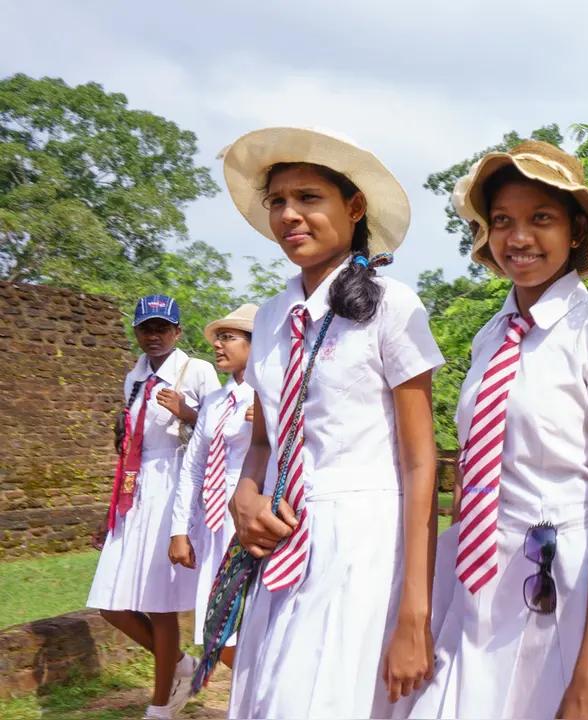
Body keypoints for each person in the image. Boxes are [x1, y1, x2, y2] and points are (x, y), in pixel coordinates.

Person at [409, 141, 588, 719]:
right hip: (478, 580)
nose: (518, 238)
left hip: (567, 588)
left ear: (577, 231)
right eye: (502, 221)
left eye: (540, 219)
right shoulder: (490, 336)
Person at [219, 127, 444, 718]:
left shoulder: (393, 307)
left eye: (309, 198)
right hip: (284, 541)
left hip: (365, 546)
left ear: (354, 206)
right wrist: (245, 496)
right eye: (277, 202)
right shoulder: (270, 318)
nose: (290, 215)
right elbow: (264, 439)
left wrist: (415, 614)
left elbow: (423, 463)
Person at [87, 295, 220, 720]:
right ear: (137, 332)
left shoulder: (195, 371)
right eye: (146, 328)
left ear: (177, 332)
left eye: (163, 327)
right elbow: (128, 447)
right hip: (136, 490)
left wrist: (189, 412)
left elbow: (224, 429)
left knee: (161, 602)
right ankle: (182, 664)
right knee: (112, 601)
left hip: (175, 487)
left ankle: (161, 706)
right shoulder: (134, 378)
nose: (154, 335)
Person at [168, 303, 258, 668]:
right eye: (217, 338)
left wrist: (276, 422)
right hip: (214, 522)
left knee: (251, 624)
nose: (218, 345)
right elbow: (193, 467)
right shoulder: (215, 402)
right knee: (220, 632)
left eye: (229, 337)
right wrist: (179, 530)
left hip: (251, 523)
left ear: (257, 344)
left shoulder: (272, 397)